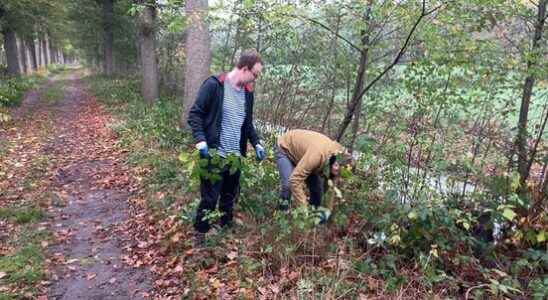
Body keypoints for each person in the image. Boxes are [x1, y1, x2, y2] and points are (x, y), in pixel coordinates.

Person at [187, 50, 266, 246]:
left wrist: (256, 142)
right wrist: (200, 140)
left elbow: (247, 124)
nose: (254, 80)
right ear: (245, 69)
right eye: (254, 75)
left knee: (229, 196)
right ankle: (200, 234)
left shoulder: (248, 94)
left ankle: (225, 227)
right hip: (214, 154)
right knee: (209, 198)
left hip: (235, 158)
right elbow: (195, 114)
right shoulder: (215, 85)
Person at [274, 129, 352, 223]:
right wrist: (304, 209)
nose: (338, 173)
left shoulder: (338, 158)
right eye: (337, 170)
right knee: (287, 185)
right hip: (285, 148)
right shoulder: (317, 156)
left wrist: (324, 212)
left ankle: (313, 222)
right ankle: (280, 216)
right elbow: (294, 180)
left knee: (318, 190)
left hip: (305, 155)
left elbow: (329, 191)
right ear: (335, 164)